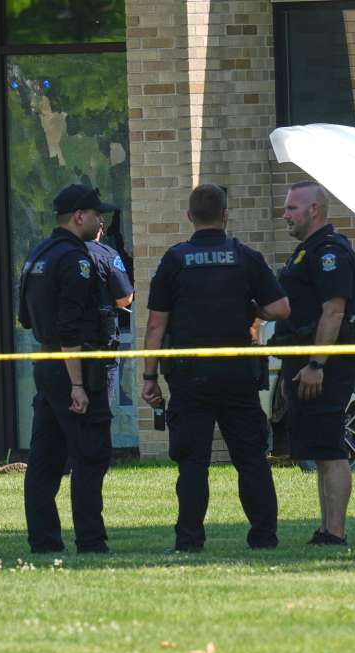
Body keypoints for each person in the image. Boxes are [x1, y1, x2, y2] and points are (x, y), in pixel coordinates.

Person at [140, 184, 290, 553]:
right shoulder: (244, 257)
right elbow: (281, 309)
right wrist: (250, 308)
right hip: (238, 374)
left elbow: (156, 325)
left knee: (193, 463)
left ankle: (189, 541)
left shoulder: (174, 260)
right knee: (251, 459)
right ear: (225, 215)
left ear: (189, 217)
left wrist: (149, 377)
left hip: (190, 376)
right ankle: (264, 537)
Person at [17, 184, 118, 554]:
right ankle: (91, 541)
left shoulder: (37, 254)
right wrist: (78, 384)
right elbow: (71, 328)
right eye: (96, 214)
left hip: (46, 365)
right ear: (79, 216)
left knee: (45, 460)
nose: (100, 220)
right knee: (90, 455)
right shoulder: (76, 259)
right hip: (75, 367)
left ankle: (44, 541)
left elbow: (25, 319)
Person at [275, 181, 355, 546]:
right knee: (320, 452)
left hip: (324, 367)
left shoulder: (329, 252)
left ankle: (335, 532)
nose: (286, 214)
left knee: (330, 450)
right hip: (304, 363)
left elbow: (334, 311)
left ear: (315, 210)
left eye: (293, 208)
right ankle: (326, 528)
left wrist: (316, 364)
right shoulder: (306, 251)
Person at [86, 217, 134, 410]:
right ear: (100, 230)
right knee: (99, 416)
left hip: (61, 351)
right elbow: (125, 298)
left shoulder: (54, 254)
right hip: (100, 346)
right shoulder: (107, 255)